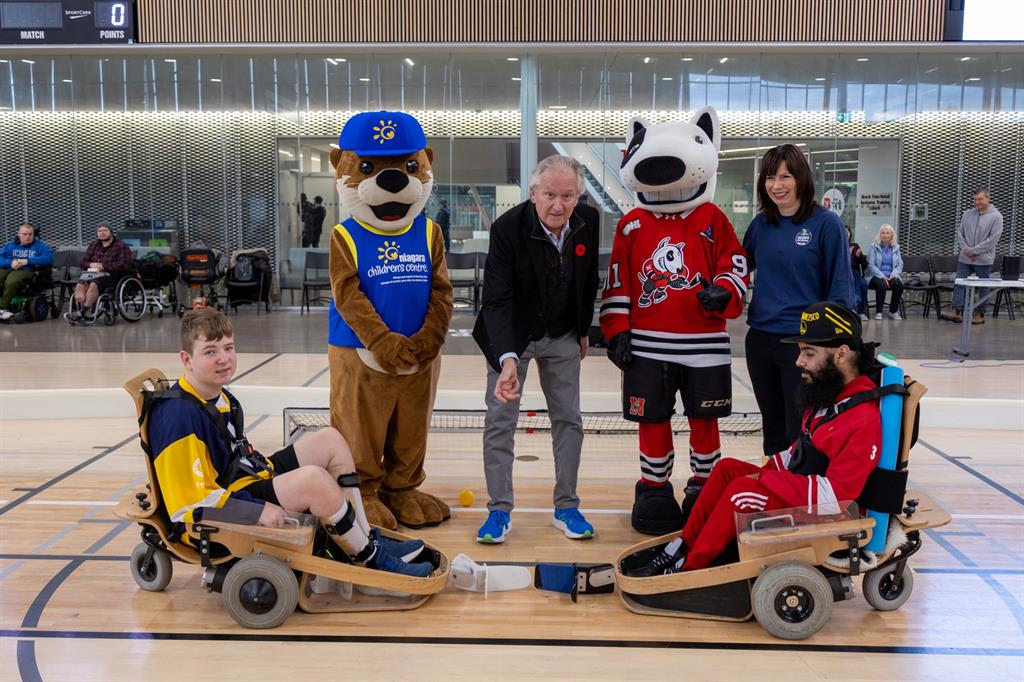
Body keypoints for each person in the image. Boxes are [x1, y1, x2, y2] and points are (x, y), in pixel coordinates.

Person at [148, 308, 433, 577]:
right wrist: (257, 510)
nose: (224, 359)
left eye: (229, 348)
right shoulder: (178, 417)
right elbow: (188, 505)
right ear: (186, 360)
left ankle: (363, 537)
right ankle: (371, 561)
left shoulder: (218, 396)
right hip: (220, 512)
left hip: (244, 480)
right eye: (210, 351)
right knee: (314, 480)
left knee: (331, 440)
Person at [627, 301, 882, 576]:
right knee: (727, 470)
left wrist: (766, 480)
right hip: (807, 494)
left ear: (842, 354)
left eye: (809, 353)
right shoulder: (830, 397)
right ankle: (684, 545)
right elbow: (801, 452)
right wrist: (766, 472)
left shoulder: (862, 418)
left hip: (831, 514)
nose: (799, 362)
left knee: (741, 493)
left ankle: (690, 570)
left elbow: (837, 497)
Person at [471, 155, 600, 543]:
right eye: (549, 195)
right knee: (500, 420)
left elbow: (587, 278)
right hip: (515, 335)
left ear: (577, 196)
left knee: (569, 420)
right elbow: (496, 301)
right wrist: (507, 358)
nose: (558, 205)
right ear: (533, 194)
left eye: (568, 195)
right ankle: (499, 512)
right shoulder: (507, 229)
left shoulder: (589, 222)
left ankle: (567, 507)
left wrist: (582, 330)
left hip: (562, 334)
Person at [742, 144, 856, 458]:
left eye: (785, 176)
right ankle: (778, 488)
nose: (776, 185)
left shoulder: (826, 225)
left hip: (805, 343)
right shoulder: (761, 225)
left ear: (800, 178)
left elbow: (841, 290)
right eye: (769, 178)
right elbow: (737, 267)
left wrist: (832, 346)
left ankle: (803, 492)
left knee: (801, 426)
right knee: (774, 425)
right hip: (761, 338)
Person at [941, 188, 1004, 325]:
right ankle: (957, 312)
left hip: (983, 259)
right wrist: (966, 249)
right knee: (959, 283)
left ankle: (980, 315)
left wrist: (974, 251)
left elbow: (992, 240)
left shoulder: (996, 217)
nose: (976, 202)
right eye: (974, 199)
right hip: (965, 258)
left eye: (980, 199)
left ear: (988, 198)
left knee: (983, 287)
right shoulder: (967, 214)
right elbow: (960, 233)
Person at [68, 223, 133, 322]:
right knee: (80, 285)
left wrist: (103, 266)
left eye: (105, 230)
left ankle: (82, 312)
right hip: (92, 273)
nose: (102, 233)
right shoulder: (94, 245)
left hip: (113, 275)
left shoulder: (121, 246)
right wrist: (91, 265)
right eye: (99, 231)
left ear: (111, 232)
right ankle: (82, 302)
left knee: (94, 284)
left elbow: (124, 265)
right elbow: (83, 263)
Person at [0, 223, 53, 321]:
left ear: (34, 234)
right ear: (19, 234)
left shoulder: (40, 245)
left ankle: (2, 308)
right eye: (24, 234)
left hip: (27, 270)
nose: (27, 237)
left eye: (30, 234)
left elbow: (48, 258)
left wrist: (28, 261)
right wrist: (10, 263)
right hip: (9, 267)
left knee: (12, 281)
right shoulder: (11, 245)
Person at [865, 224, 904, 321]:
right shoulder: (873, 247)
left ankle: (893, 311)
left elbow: (900, 264)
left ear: (891, 235)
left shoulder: (896, 248)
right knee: (882, 284)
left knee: (899, 284)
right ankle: (879, 312)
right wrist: (882, 276)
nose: (885, 235)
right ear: (880, 235)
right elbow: (870, 265)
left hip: (891, 276)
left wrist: (893, 275)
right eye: (883, 233)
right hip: (875, 276)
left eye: (887, 233)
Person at [845, 225, 869, 321]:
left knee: (863, 284)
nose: (846, 234)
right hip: (843, 273)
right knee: (855, 283)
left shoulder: (854, 246)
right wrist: (848, 254)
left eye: (848, 232)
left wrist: (859, 256)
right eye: (844, 232)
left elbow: (864, 265)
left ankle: (860, 310)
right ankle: (855, 309)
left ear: (850, 234)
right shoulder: (837, 245)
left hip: (854, 271)